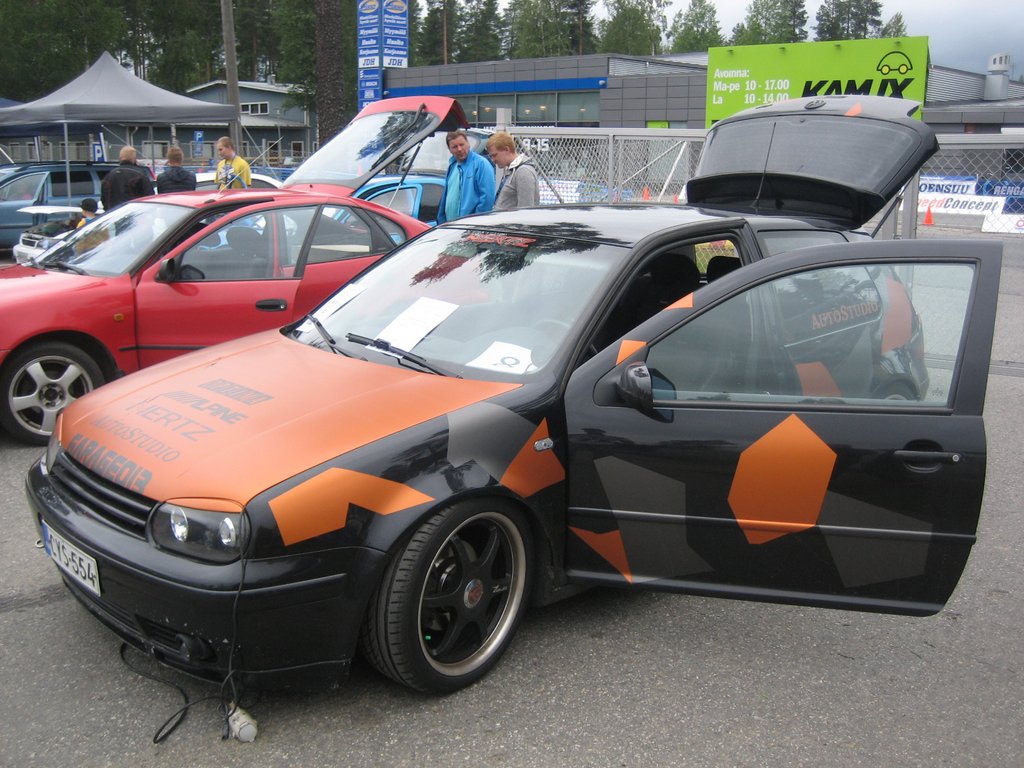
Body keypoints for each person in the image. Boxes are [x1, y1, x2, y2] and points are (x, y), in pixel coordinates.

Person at [436, 130, 495, 224]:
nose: (459, 149)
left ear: (468, 144)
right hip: (449, 226)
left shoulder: (481, 164)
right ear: (450, 149)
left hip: (469, 227)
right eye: (455, 147)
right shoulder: (452, 166)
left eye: (462, 144)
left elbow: (487, 199)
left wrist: (474, 223)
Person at [487, 131, 540, 210]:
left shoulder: (523, 172)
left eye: (495, 155)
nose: (493, 160)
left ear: (506, 149)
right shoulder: (512, 171)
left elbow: (526, 210)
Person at [100, 146, 154, 210]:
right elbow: (149, 197)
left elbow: (104, 199)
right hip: (133, 212)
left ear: (120, 158)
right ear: (134, 158)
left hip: (113, 213)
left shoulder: (109, 176)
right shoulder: (140, 175)